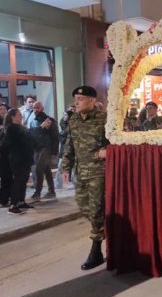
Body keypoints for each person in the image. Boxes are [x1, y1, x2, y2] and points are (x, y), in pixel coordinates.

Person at [62, 86, 109, 270]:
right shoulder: (74, 120)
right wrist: (66, 166)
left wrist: (105, 151)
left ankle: (96, 250)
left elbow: (118, 142)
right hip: (80, 171)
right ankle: (103, 230)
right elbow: (70, 144)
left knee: (96, 210)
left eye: (80, 98)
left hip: (99, 171)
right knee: (84, 206)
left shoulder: (104, 119)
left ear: (91, 100)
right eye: (76, 98)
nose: (76, 102)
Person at [0, 109, 35, 215]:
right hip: (18, 158)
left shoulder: (20, 127)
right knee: (18, 180)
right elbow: (6, 143)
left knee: (24, 180)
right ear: (13, 117)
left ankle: (21, 201)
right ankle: (13, 205)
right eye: (19, 115)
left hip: (25, 157)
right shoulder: (12, 128)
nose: (21, 116)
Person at [28, 101, 59, 201]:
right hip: (36, 148)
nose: (35, 110)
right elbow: (31, 133)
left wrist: (54, 152)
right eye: (34, 108)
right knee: (46, 169)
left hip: (46, 148)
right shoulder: (33, 121)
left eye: (37, 107)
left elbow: (55, 137)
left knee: (39, 169)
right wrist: (40, 128)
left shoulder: (49, 120)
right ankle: (52, 191)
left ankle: (37, 193)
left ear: (42, 108)